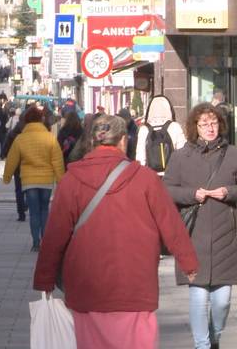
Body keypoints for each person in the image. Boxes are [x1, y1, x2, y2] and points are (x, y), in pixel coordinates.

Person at [33, 114, 199, 349]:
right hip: (136, 285)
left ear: (92, 142)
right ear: (123, 141)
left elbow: (54, 235)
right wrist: (189, 263)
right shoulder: (146, 179)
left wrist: (44, 279)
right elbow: (171, 224)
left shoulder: (71, 181)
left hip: (86, 287)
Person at [163, 103, 237, 349]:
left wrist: (229, 192)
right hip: (193, 234)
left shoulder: (233, 153)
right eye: (204, 124)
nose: (210, 128)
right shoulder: (180, 156)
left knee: (223, 301)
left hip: (227, 236)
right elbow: (167, 190)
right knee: (198, 295)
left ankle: (214, 337)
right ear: (195, 127)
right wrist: (191, 194)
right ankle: (202, 345)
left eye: (214, 123)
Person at [3, 107, 64, 251]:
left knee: (34, 212)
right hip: (46, 180)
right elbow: (57, 160)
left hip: (29, 181)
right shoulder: (50, 138)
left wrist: (7, 177)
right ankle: (45, 240)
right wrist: (61, 180)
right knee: (44, 210)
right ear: (41, 119)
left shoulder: (20, 138)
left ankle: (36, 243)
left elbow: (12, 159)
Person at [136, 95, 186, 175]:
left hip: (151, 175)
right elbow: (183, 154)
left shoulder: (144, 129)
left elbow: (140, 157)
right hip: (171, 175)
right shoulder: (174, 126)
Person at [3, 109, 29, 221]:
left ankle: (21, 213)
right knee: (29, 188)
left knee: (18, 189)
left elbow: (5, 150)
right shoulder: (31, 133)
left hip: (17, 166)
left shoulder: (12, 133)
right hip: (29, 164)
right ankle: (27, 204)